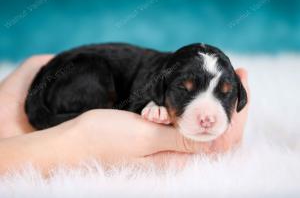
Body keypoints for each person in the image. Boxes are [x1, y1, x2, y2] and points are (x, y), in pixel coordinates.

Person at [0, 55, 250, 174]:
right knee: (99, 80)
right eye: (186, 92)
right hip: (78, 74)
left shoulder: (169, 77)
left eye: (224, 94)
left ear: (238, 96)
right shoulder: (157, 81)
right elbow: (139, 101)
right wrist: (78, 141)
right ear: (161, 89)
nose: (207, 116)